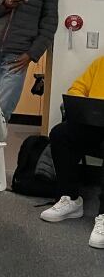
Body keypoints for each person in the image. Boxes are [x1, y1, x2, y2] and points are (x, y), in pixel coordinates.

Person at [39, 56, 104, 248]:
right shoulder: (101, 62)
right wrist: (82, 106)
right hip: (95, 123)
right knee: (60, 134)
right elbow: (77, 88)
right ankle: (71, 199)